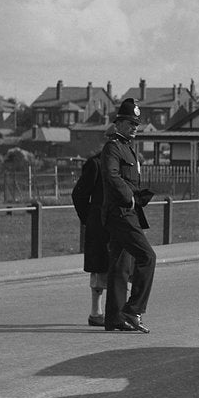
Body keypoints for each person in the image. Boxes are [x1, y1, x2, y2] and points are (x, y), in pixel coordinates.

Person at [101, 99, 156, 333]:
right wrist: (129, 197)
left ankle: (115, 318)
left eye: (136, 124)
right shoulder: (113, 147)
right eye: (130, 123)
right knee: (147, 257)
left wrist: (138, 196)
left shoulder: (128, 147)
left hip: (127, 211)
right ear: (119, 123)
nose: (134, 127)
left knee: (120, 265)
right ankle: (133, 310)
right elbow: (112, 175)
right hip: (120, 213)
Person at [72, 140, 123, 327]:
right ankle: (96, 312)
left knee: (122, 267)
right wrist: (90, 218)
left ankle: (118, 312)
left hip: (121, 222)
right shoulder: (95, 164)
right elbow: (79, 194)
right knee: (99, 268)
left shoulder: (126, 163)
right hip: (100, 226)